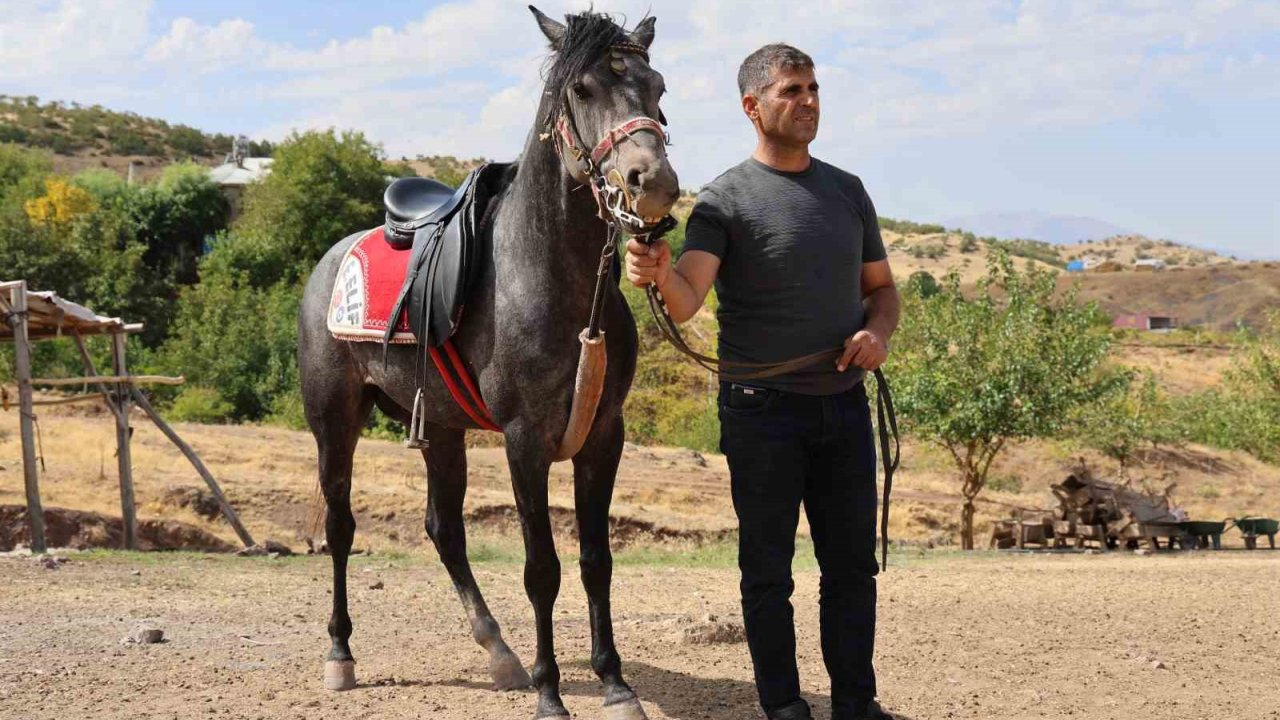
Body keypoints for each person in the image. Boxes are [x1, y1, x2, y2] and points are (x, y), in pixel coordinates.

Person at [624, 44, 900, 720]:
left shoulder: (848, 191)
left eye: (813, 88)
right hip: (761, 412)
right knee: (768, 574)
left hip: (843, 405)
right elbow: (687, 298)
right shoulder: (724, 200)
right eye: (791, 91)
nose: (808, 101)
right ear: (753, 107)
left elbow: (882, 291)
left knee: (852, 570)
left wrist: (878, 334)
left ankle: (856, 705)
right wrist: (658, 273)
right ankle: (783, 707)